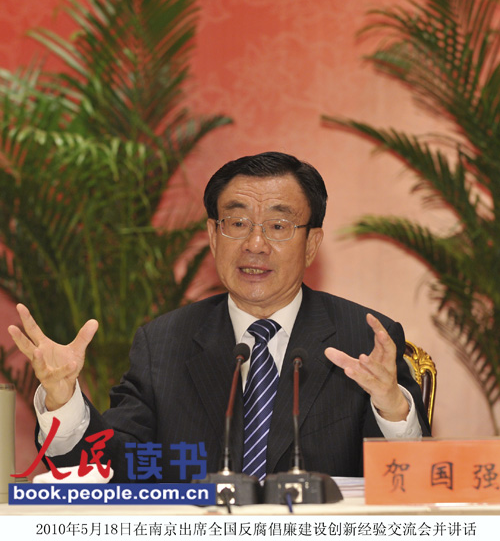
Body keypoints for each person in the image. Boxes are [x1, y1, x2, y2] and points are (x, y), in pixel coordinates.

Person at [9, 152, 430, 483]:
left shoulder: (363, 338)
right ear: (213, 236)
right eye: (237, 223)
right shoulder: (163, 343)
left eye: (278, 226)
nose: (255, 244)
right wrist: (63, 399)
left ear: (311, 244)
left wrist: (391, 407)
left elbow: (408, 476)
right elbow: (112, 468)